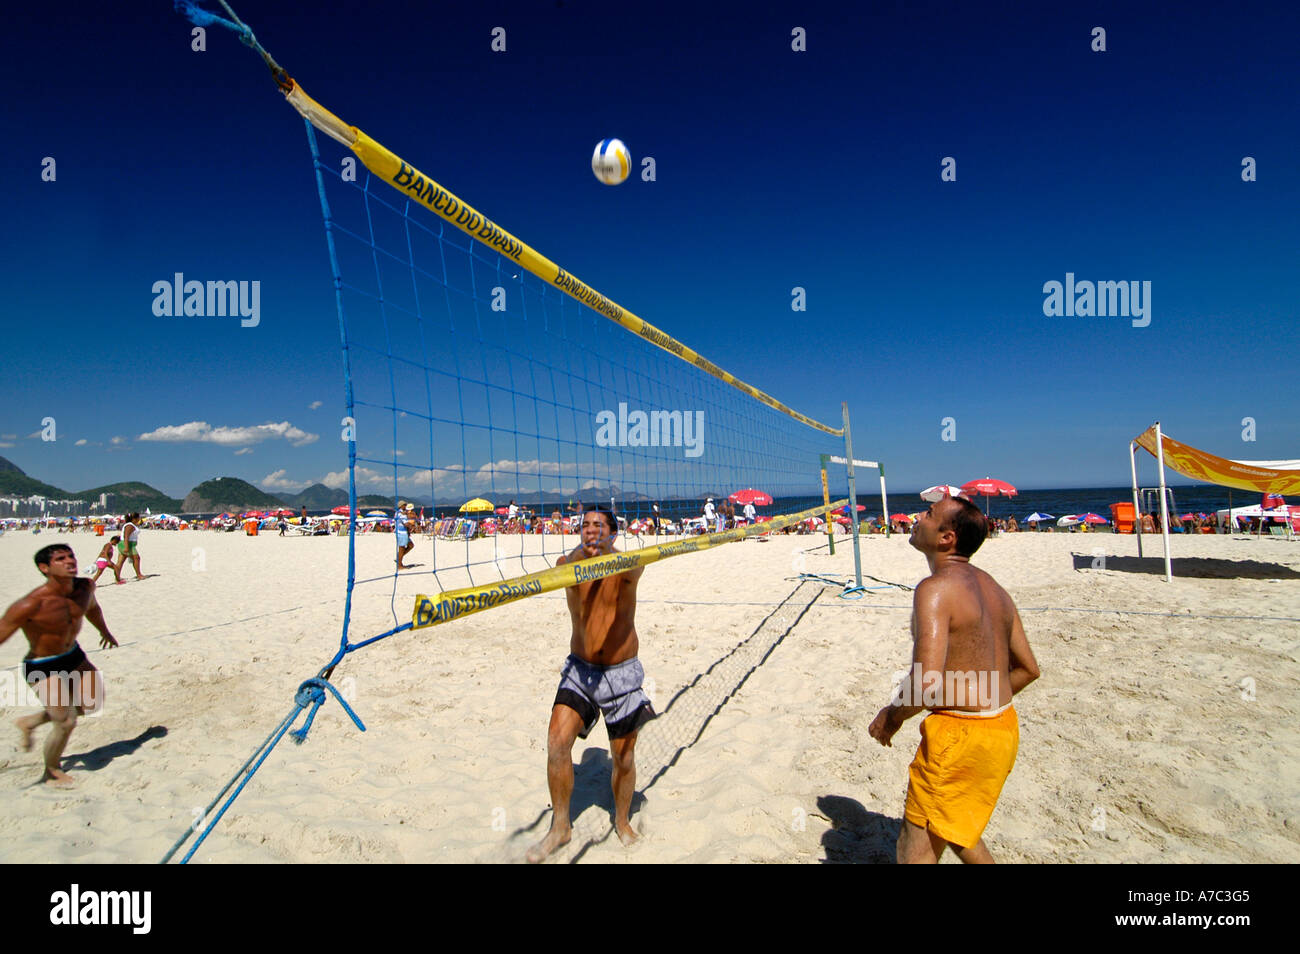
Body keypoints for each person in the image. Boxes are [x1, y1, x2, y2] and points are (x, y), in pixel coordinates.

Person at [868, 495, 1040, 864]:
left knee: (913, 851)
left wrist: (891, 717)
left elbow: (925, 682)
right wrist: (982, 698)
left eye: (928, 514)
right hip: (1003, 729)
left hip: (959, 737)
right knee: (957, 828)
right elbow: (1029, 669)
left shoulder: (934, 589)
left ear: (947, 538)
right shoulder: (993, 587)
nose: (917, 517)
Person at [528, 508, 654, 863]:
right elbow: (562, 565)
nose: (590, 531)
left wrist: (605, 555)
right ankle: (560, 827)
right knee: (556, 744)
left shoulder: (628, 564)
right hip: (580, 671)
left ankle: (623, 821)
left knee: (623, 758)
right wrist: (580, 558)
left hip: (621, 674)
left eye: (599, 526)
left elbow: (633, 564)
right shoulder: (567, 564)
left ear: (614, 533)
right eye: (584, 526)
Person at [0, 544, 119, 785]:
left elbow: (93, 609)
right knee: (66, 722)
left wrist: (105, 632)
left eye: (71, 556)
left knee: (90, 704)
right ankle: (52, 770)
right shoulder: (30, 604)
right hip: (43, 665)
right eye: (60, 559)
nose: (69, 561)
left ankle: (30, 722)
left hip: (74, 655)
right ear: (45, 568)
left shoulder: (85, 586)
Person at [114, 512, 143, 581]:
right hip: (127, 545)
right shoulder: (130, 525)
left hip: (123, 544)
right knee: (136, 558)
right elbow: (126, 536)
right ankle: (139, 575)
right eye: (138, 517)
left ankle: (117, 578)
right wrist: (126, 547)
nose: (139, 519)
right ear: (135, 518)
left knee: (120, 562)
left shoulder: (130, 525)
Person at [395, 502, 416, 569]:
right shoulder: (401, 514)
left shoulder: (398, 513)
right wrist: (412, 527)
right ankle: (399, 565)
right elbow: (405, 523)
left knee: (411, 545)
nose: (406, 506)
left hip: (400, 532)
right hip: (402, 532)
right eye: (405, 505)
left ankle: (399, 559)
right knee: (402, 548)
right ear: (402, 506)